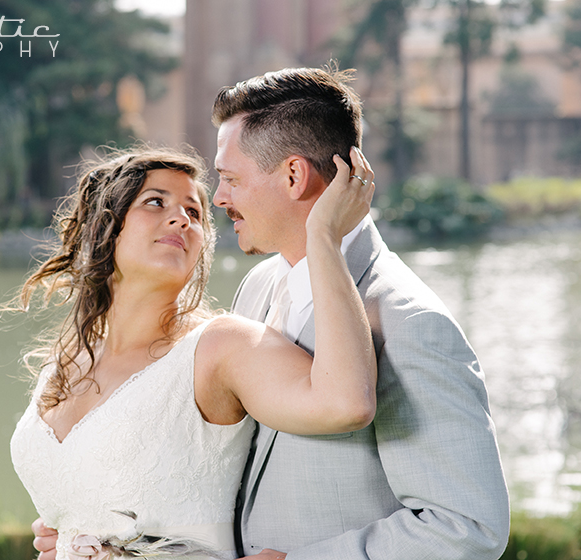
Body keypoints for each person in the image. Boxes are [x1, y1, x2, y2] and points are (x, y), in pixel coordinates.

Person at [10, 144, 376, 560]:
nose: (181, 218)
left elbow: (346, 403)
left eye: (195, 212)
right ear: (104, 227)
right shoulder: (65, 361)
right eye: (155, 201)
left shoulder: (219, 347)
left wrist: (323, 235)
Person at [211, 68, 509, 560]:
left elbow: (467, 527)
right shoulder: (257, 287)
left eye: (230, 179)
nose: (219, 197)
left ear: (293, 176)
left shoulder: (410, 323)